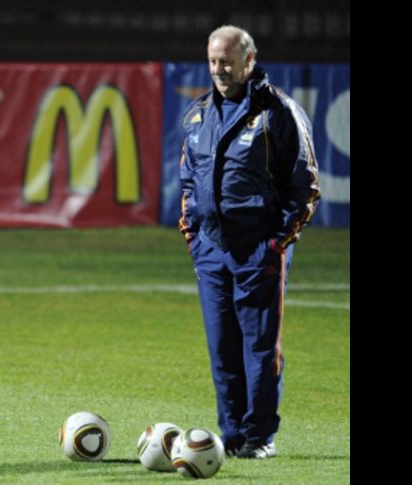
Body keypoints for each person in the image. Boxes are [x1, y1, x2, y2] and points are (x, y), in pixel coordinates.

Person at [178, 25, 320, 459]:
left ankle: (259, 436)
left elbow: (306, 186)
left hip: (259, 250)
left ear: (249, 62)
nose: (219, 69)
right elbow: (187, 178)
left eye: (227, 61)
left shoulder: (278, 112)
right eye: (213, 61)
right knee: (222, 347)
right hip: (212, 251)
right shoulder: (197, 114)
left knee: (259, 347)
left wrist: (276, 242)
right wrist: (193, 233)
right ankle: (232, 435)